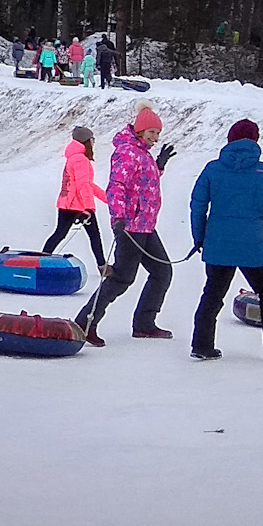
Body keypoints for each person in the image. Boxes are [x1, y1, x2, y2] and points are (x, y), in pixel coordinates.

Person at [189, 119, 263, 360]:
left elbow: (198, 205)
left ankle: (202, 345)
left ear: (229, 140)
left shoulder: (212, 169)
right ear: (256, 140)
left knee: (212, 294)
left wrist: (199, 237)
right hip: (252, 243)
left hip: (218, 241)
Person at [75, 103, 178, 346]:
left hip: (145, 225)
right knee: (122, 278)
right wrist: (118, 217)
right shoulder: (126, 152)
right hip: (130, 226)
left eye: (157, 133)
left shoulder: (142, 153)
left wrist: (159, 166)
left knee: (162, 272)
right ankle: (85, 323)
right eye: (151, 132)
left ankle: (144, 323)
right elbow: (117, 186)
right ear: (140, 130)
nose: (155, 138)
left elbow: (142, 184)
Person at [42, 126, 109, 275]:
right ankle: (103, 267)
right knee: (94, 236)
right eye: (92, 140)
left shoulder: (74, 157)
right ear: (86, 141)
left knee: (59, 234)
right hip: (78, 206)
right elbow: (82, 185)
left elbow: (88, 184)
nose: (93, 143)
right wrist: (88, 208)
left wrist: (108, 199)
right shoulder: (80, 159)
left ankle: (42, 260)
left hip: (67, 204)